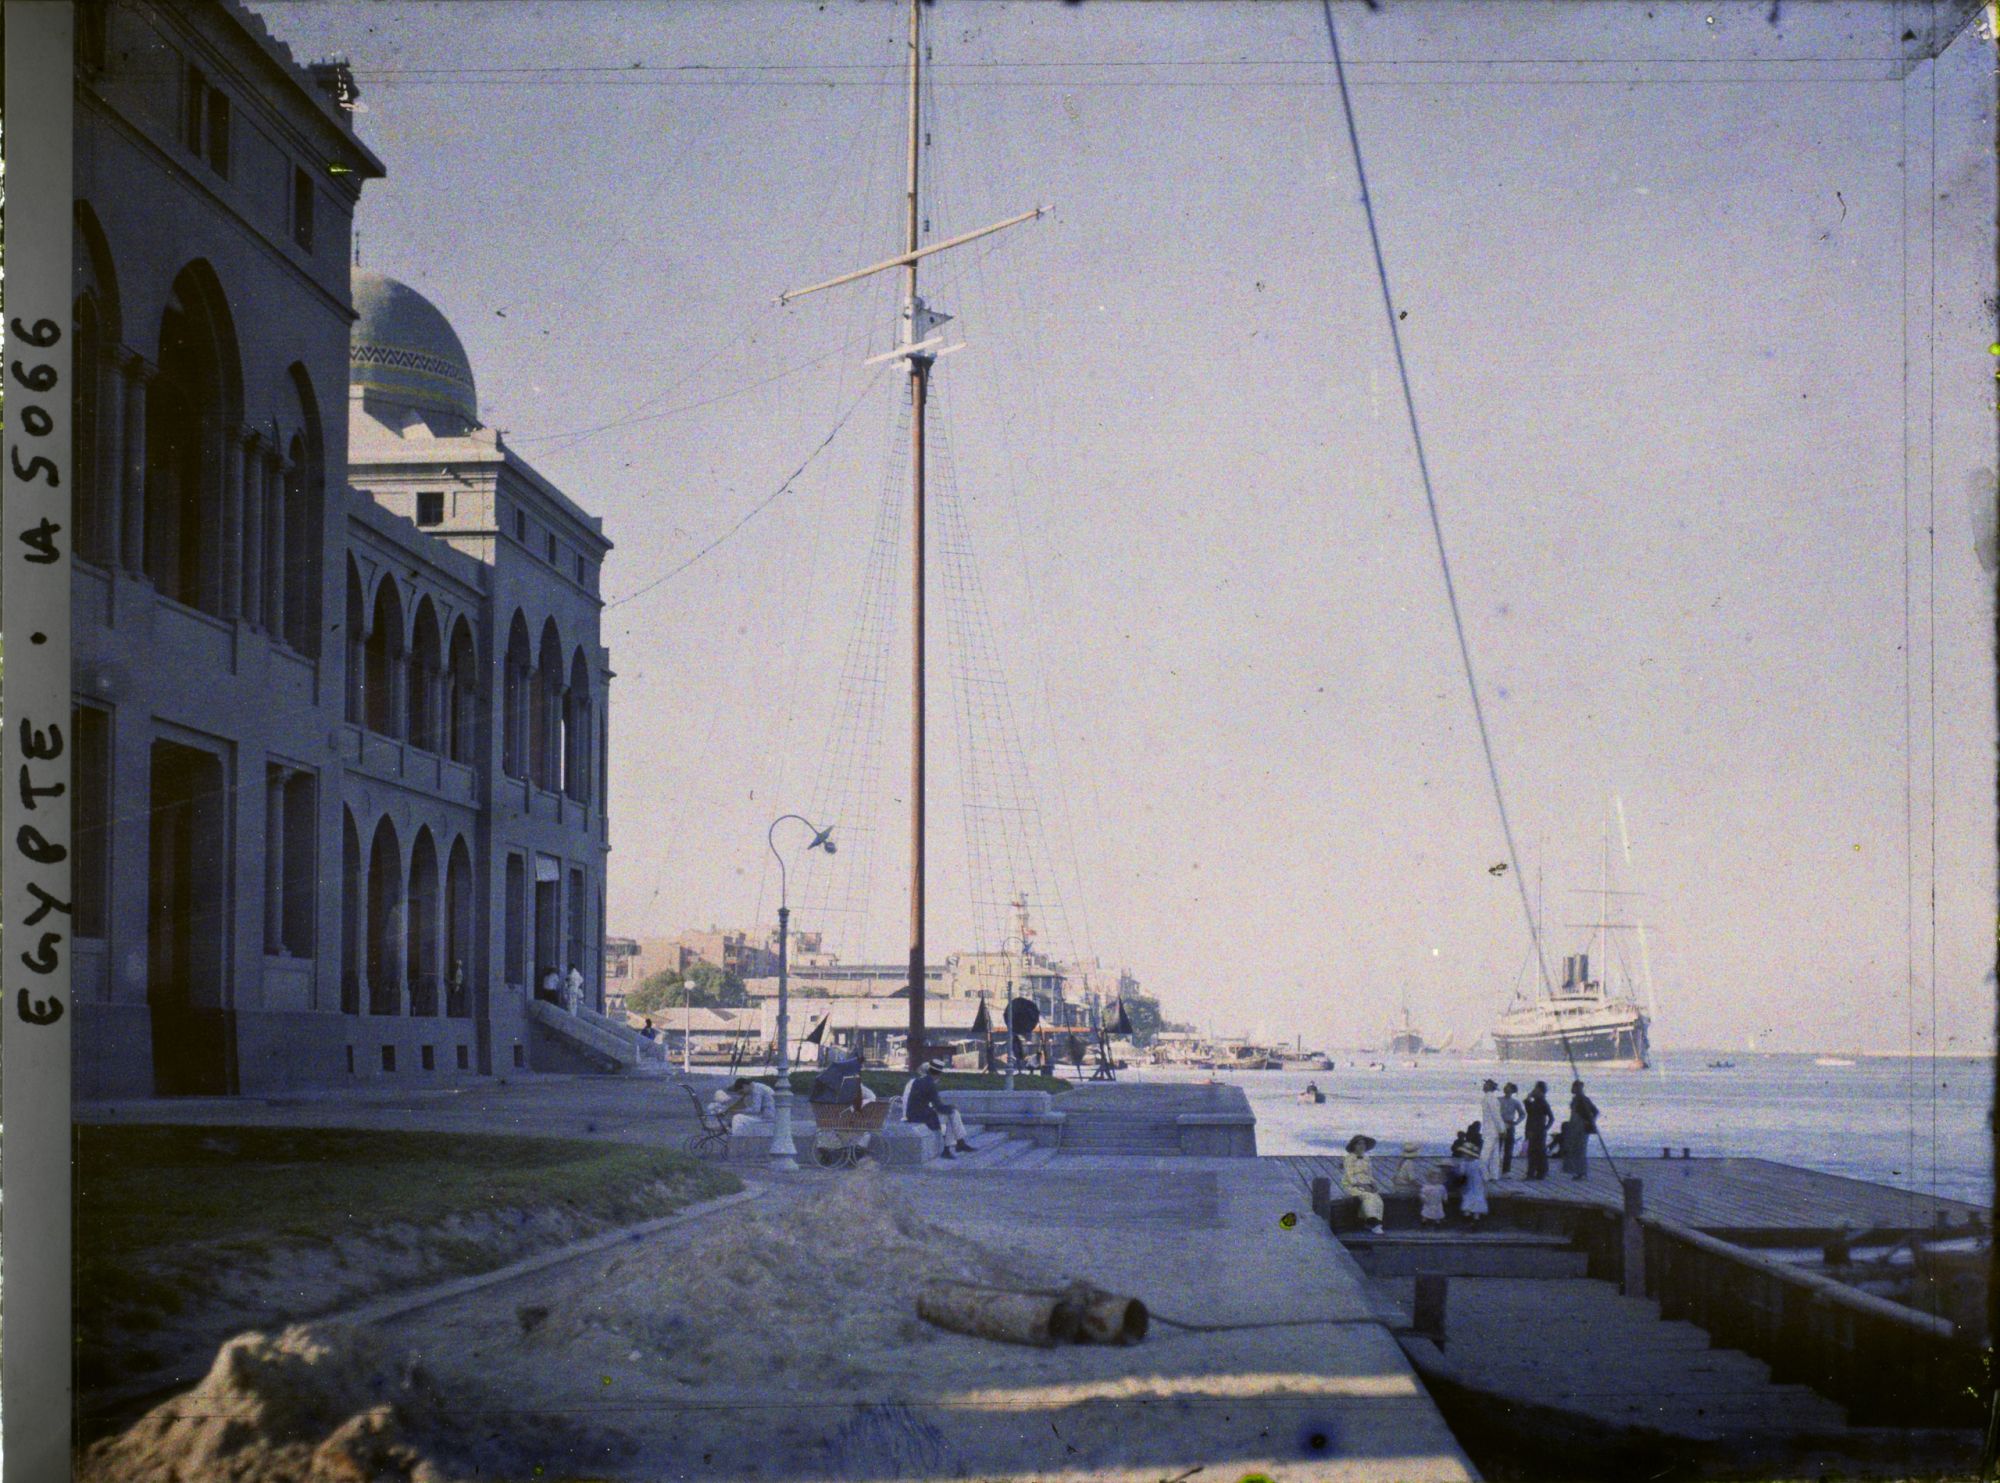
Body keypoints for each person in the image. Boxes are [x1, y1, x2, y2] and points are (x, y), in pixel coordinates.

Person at [899, 1061, 972, 1153]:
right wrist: (951, 1107)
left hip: (913, 1114)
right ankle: (956, 1144)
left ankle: (956, 1144)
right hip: (920, 1117)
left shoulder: (918, 1081)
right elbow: (939, 1107)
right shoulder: (930, 1084)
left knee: (951, 1115)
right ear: (938, 1074)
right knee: (953, 1113)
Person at [1342, 1134, 1385, 1235]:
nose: (1362, 1146)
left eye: (1364, 1144)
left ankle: (1372, 1222)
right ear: (1354, 1146)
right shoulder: (1349, 1158)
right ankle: (1373, 1223)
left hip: (1366, 1183)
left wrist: (1373, 1184)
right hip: (1353, 1184)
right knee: (1367, 1196)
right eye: (1359, 1144)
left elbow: (1369, 1174)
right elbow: (1349, 1176)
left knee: (1377, 1197)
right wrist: (1361, 1185)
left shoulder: (1366, 1158)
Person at [1450, 1127, 1488, 1225]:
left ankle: (1472, 1219)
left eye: (1464, 1154)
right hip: (1473, 1184)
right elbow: (1484, 1175)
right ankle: (1471, 1220)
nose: (1463, 1155)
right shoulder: (1475, 1163)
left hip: (1473, 1184)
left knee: (1471, 1201)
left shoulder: (1469, 1163)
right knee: (1472, 1200)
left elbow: (1463, 1174)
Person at [1564, 1080, 1600, 1180]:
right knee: (1576, 1149)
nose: (1572, 1089)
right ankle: (1578, 1171)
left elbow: (1595, 1111)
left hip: (1581, 1128)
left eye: (1574, 1087)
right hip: (1575, 1127)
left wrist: (1589, 1122)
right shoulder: (1576, 1099)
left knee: (1580, 1150)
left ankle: (1582, 1172)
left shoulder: (1583, 1099)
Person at [1522, 1080, 1553, 1180]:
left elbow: (1551, 1117)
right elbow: (1529, 1111)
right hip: (1532, 1130)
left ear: (1540, 1090)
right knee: (1534, 1152)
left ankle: (1538, 1173)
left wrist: (1545, 1128)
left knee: (1538, 1152)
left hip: (1539, 1131)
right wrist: (1528, 1098)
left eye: (1536, 1088)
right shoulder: (1535, 1102)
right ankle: (1534, 1173)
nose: (1534, 1090)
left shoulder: (1543, 1102)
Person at [1497, 1082, 1524, 1178]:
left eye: (1508, 1088)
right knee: (1496, 1148)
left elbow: (1522, 1114)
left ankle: (1506, 1171)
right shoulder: (1498, 1100)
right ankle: (1494, 1170)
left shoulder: (1515, 1102)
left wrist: (1517, 1122)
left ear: (1512, 1090)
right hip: (1499, 1125)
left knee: (1508, 1149)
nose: (1506, 1089)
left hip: (1510, 1125)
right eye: (1505, 1087)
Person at [1479, 1080, 1504, 1179]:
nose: (1483, 1085)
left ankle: (1485, 1175)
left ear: (1489, 1086)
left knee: (1484, 1155)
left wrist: (1501, 1129)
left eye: (1485, 1084)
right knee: (1495, 1155)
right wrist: (1501, 1129)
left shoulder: (1489, 1098)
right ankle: (1494, 1175)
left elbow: (1496, 1115)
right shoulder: (1491, 1098)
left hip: (1490, 1130)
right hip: (1494, 1130)